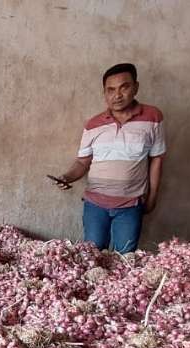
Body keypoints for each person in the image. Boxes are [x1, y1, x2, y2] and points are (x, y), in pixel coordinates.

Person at [52, 63, 166, 253]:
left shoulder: (153, 117)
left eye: (124, 87)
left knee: (126, 257)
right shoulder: (93, 125)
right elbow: (82, 162)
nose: (117, 95)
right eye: (110, 90)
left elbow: (157, 159)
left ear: (136, 87)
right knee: (93, 255)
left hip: (131, 204)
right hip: (95, 205)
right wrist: (67, 177)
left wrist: (153, 197)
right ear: (104, 93)